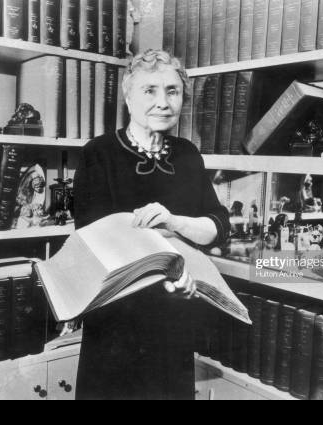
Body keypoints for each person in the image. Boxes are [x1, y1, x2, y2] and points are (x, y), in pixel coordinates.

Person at [72, 50, 230, 400]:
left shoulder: (188, 154)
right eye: (150, 90)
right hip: (116, 323)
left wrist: (174, 221)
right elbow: (93, 241)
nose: (163, 102)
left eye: (173, 91)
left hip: (173, 322)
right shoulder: (99, 153)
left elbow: (219, 225)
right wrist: (172, 268)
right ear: (128, 97)